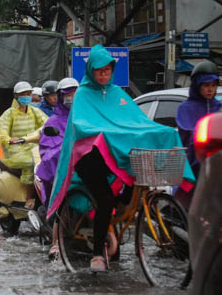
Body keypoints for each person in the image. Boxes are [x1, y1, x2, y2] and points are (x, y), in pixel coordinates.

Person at [47, 44, 194, 272]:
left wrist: (161, 132)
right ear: (91, 71)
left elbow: (137, 122)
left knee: (132, 189)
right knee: (104, 199)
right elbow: (82, 126)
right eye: (99, 70)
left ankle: (113, 235)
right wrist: (105, 134)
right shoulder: (83, 95)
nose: (104, 73)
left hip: (116, 159)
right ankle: (96, 254)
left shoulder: (118, 93)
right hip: (90, 159)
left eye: (107, 69)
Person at [36, 77, 79, 260]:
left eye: (74, 94)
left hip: (84, 168)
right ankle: (55, 243)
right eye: (67, 95)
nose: (71, 97)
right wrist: (66, 150)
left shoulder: (87, 116)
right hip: (62, 172)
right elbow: (47, 151)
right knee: (60, 200)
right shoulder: (52, 121)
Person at [0, 81, 49, 209]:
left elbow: (48, 123)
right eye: (22, 94)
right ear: (16, 96)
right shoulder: (10, 113)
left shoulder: (35, 111)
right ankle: (29, 197)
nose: (26, 96)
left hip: (34, 147)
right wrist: (9, 139)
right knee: (31, 163)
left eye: (28, 93)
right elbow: (0, 129)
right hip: (15, 150)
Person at [176, 61, 221, 178]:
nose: (210, 89)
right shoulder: (185, 108)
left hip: (216, 162)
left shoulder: (218, 106)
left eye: (213, 85)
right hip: (193, 163)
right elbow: (188, 131)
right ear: (197, 85)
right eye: (206, 85)